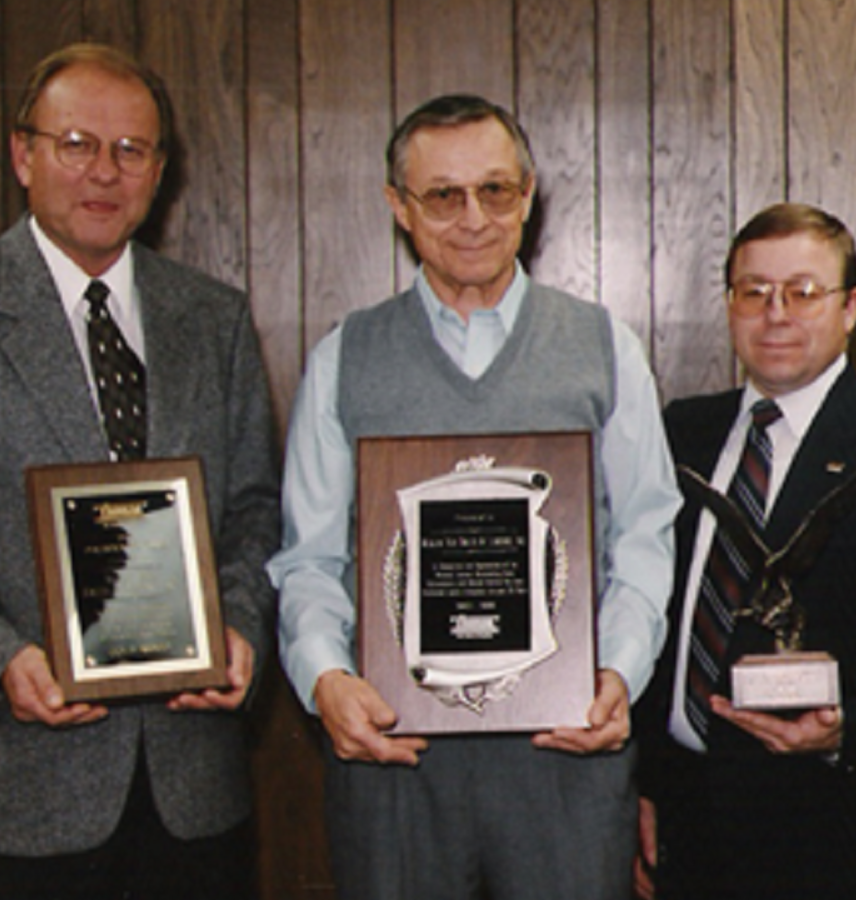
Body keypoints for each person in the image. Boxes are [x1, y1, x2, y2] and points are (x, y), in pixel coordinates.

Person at [0, 43, 280, 900]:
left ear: (160, 170)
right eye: (77, 142)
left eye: (132, 150)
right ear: (23, 154)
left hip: (191, 795)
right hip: (14, 795)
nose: (104, 172)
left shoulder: (214, 318)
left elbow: (253, 511)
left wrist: (236, 625)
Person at [268, 93, 681, 900]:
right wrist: (325, 680)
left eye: (495, 191)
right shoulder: (345, 356)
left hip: (565, 756)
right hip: (395, 762)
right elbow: (310, 556)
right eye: (443, 195)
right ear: (399, 206)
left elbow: (644, 532)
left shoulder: (604, 347)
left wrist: (619, 674)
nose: (473, 218)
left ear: (527, 195)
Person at [633, 203, 856, 899]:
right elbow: (651, 615)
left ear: (852, 308)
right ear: (730, 304)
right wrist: (643, 788)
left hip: (839, 833)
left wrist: (844, 725)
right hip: (688, 823)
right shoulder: (679, 433)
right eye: (754, 292)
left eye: (803, 291)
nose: (776, 314)